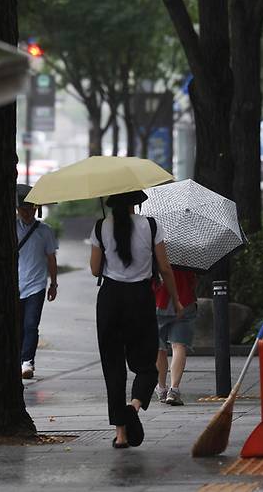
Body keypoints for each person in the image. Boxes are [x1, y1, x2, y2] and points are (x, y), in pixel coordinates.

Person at [90, 190, 183, 448]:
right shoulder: (151, 225)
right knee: (145, 365)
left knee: (113, 367)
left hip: (109, 300)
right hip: (140, 298)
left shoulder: (101, 227)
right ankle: (134, 406)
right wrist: (176, 300)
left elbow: (95, 269)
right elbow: (164, 267)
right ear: (136, 203)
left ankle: (121, 435)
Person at [17, 185, 58, 380]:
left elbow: (51, 258)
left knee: (31, 324)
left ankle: (27, 362)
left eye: (30, 209)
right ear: (17, 209)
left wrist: (54, 284)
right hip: (14, 285)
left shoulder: (45, 231)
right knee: (16, 325)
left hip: (36, 286)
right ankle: (16, 359)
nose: (26, 213)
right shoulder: (10, 228)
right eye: (23, 209)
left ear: (36, 209)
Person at [154, 268, 197, 406]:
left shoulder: (155, 249)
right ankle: (174, 389)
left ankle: (161, 388)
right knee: (178, 345)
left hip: (158, 300)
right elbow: (192, 280)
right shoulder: (186, 251)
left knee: (159, 348)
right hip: (185, 301)